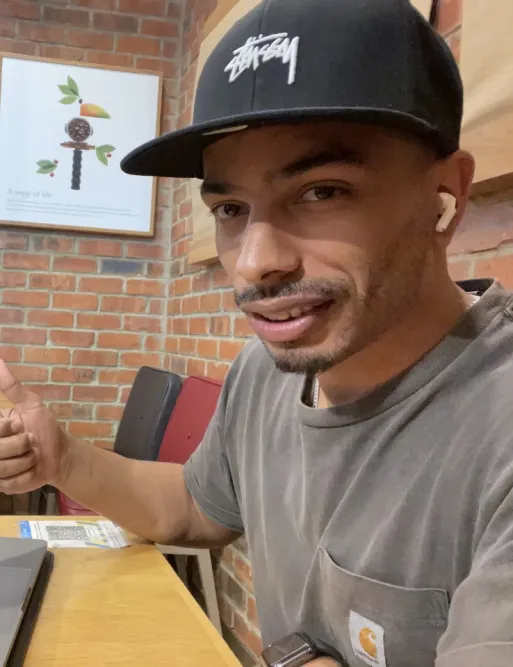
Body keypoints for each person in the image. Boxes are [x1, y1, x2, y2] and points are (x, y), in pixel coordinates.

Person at [1, 0, 513, 665]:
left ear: (445, 194)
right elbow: (193, 506)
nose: (253, 261)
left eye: (321, 191)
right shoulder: (267, 370)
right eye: (231, 208)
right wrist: (61, 456)